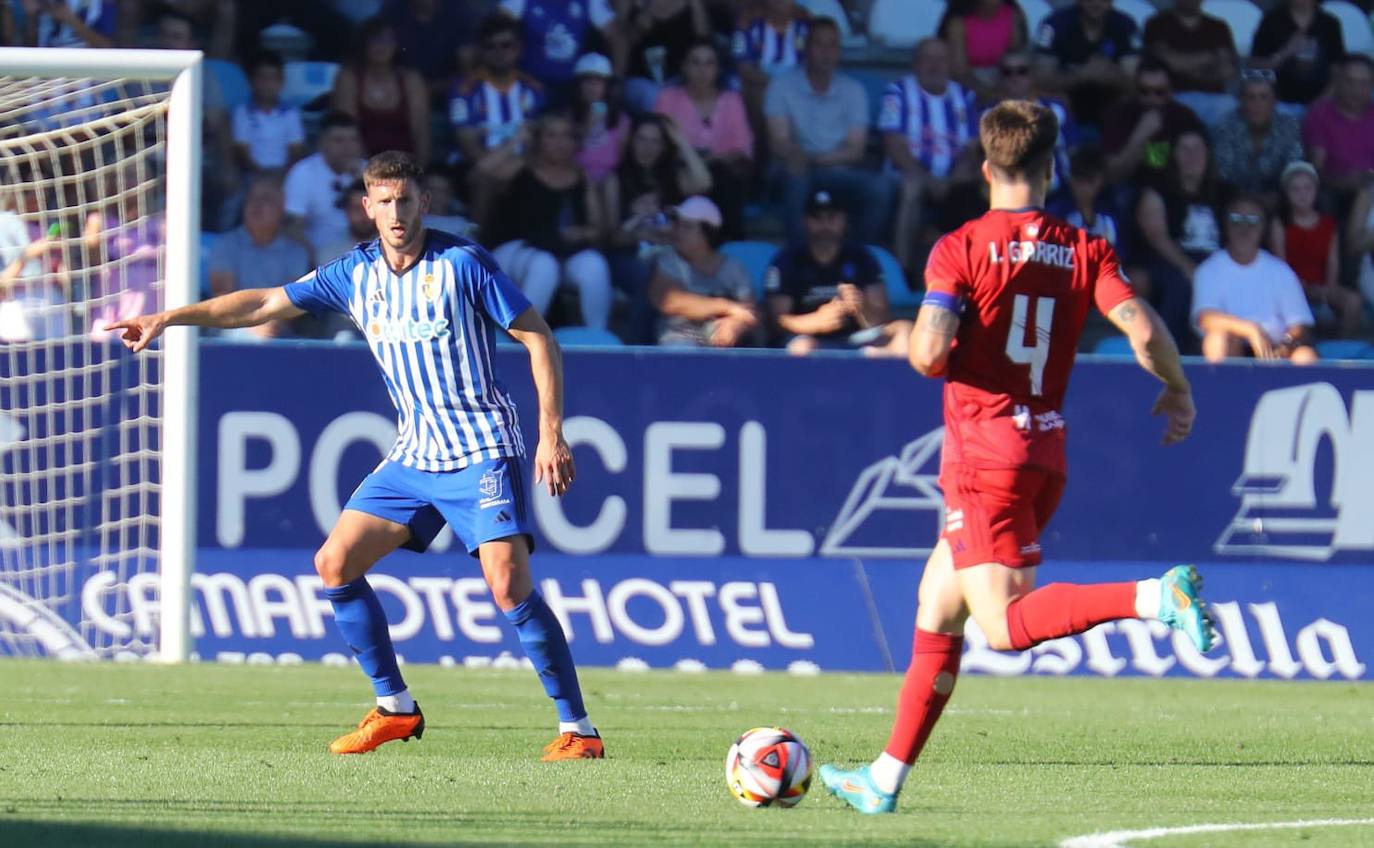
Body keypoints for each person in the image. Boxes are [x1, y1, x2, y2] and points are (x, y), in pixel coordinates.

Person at [104, 151, 604, 761]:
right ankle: (395, 707)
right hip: (416, 452)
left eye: (406, 200)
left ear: (426, 202)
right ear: (366, 207)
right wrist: (170, 316)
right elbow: (263, 304)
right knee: (335, 562)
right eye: (383, 201)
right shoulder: (353, 273)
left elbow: (537, 335)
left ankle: (578, 729)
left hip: (482, 448)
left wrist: (551, 430)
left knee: (506, 585)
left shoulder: (463, 265)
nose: (396, 213)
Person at [817, 99, 1212, 815]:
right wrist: (1178, 389)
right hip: (1043, 452)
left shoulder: (960, 247)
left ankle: (1154, 597)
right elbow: (1141, 325)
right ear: (1049, 166)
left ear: (985, 165)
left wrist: (904, 330)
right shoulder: (1084, 246)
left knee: (1001, 626)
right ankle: (883, 780)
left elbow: (932, 353)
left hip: (982, 457)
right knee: (938, 604)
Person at [766, 17, 892, 244]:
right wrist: (798, 157)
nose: (826, 52)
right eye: (819, 44)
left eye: (832, 45)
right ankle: (801, 256)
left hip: (836, 169)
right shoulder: (781, 85)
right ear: (806, 48)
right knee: (796, 176)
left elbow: (855, 150)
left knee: (880, 187)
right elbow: (779, 143)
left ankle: (857, 256)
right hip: (793, 169)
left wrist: (812, 159)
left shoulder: (853, 91)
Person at [488, 112, 614, 331]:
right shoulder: (522, 168)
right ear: (539, 140)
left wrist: (581, 233)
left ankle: (597, 338)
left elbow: (597, 228)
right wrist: (519, 139)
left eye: (566, 136)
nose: (560, 143)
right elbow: (483, 171)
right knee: (544, 266)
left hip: (562, 250)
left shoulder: (581, 177)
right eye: (551, 136)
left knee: (594, 265)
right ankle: (524, 337)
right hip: (516, 249)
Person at [765, 189, 910, 358]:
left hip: (856, 338)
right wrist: (817, 322)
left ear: (844, 220)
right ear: (805, 221)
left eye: (832, 217)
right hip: (806, 337)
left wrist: (861, 306)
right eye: (817, 218)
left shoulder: (862, 258)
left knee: (905, 330)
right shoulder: (787, 260)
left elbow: (881, 320)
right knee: (804, 347)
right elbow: (776, 321)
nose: (825, 224)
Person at [880, 38, 980, 273]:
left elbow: (972, 149)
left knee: (978, 185)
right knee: (913, 188)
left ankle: (971, 269)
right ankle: (902, 269)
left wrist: (952, 179)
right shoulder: (898, 91)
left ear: (951, 64)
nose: (935, 65)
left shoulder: (965, 97)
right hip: (909, 174)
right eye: (928, 58)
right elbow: (894, 146)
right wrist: (928, 179)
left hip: (954, 178)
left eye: (941, 59)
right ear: (916, 63)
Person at [1193, 194, 1317, 365]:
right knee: (1217, 339)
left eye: (1252, 221)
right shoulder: (1209, 269)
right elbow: (1205, 317)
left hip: (1275, 349)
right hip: (1232, 348)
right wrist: (1251, 330)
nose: (1244, 228)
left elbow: (1300, 324)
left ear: (1263, 228)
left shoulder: (1280, 271)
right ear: (1226, 225)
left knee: (1305, 356)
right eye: (1236, 219)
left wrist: (1284, 346)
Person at [451, 13, 546, 224]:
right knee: (483, 177)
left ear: (518, 48)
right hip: (477, 170)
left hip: (521, 168)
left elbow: (536, 146)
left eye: (506, 45)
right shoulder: (465, 89)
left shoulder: (533, 89)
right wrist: (499, 168)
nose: (499, 52)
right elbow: (469, 147)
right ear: (481, 51)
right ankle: (478, 246)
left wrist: (512, 169)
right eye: (490, 46)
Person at [653, 38, 753, 238]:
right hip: (680, 172)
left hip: (722, 173)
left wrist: (708, 162)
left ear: (717, 68)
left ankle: (730, 246)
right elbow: (660, 140)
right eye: (695, 62)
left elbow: (742, 148)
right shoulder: (668, 98)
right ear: (684, 66)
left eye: (709, 63)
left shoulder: (732, 100)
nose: (702, 70)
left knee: (723, 177)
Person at [1134, 129, 1224, 347]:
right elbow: (1158, 238)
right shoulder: (1157, 192)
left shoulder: (1225, 192)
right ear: (1173, 155)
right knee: (1180, 286)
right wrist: (1188, 267)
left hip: (1217, 262)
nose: (1191, 156)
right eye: (1184, 149)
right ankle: (1173, 353)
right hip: (1171, 262)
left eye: (1197, 149)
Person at [208, 173, 311, 341]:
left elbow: (294, 301)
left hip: (278, 329)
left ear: (282, 208)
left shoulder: (297, 252)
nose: (256, 204)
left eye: (266, 199)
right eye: (251, 198)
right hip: (232, 327)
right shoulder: (225, 245)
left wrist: (270, 325)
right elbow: (222, 295)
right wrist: (253, 327)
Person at [649, 196, 760, 347]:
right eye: (678, 225)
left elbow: (749, 310)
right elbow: (669, 301)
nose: (678, 232)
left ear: (707, 233)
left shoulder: (733, 267)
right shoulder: (669, 261)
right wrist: (727, 306)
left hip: (723, 339)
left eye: (687, 227)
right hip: (681, 335)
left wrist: (735, 325)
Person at [1270, 160, 1357, 338]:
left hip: (1322, 287)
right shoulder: (1280, 224)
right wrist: (1300, 286)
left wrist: (1328, 287)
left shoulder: (1329, 225)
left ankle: (1343, 346)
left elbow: (1333, 261)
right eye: (1296, 189)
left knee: (1353, 302)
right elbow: (1280, 263)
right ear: (1287, 193)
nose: (1302, 194)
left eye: (1307, 188)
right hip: (1293, 287)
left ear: (1315, 191)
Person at [331, 17, 431, 167]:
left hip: (404, 167)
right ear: (364, 44)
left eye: (387, 40)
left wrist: (420, 171)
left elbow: (421, 133)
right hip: (359, 166)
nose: (382, 46)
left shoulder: (411, 80)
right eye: (375, 40)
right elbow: (348, 132)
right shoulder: (348, 78)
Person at [1032, 0, 1140, 131]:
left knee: (1151, 105)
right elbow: (1041, 80)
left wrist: (1107, 74)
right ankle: (1067, 149)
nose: (1096, 3)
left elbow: (1135, 82)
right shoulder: (1054, 24)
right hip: (1068, 98)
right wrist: (1082, 75)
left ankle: (1152, 152)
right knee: (1051, 99)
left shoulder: (1126, 25)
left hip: (1111, 99)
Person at [1101, 62, 1203, 188]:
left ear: (1171, 91)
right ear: (1135, 90)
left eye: (1159, 92)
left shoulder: (1184, 116)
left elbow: (1196, 165)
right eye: (1144, 91)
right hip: (1131, 187)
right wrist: (1141, 134)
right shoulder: (1119, 114)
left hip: (1175, 187)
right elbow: (1112, 175)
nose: (1151, 98)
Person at [1209, 70, 1303, 202]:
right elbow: (1223, 177)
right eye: (1250, 97)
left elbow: (1293, 171)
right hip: (1233, 201)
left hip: (1278, 201)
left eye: (1264, 97)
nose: (1257, 104)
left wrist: (1277, 198)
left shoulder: (1289, 127)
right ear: (1241, 101)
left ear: (1274, 101)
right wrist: (1252, 201)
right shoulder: (1225, 127)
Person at [1141, 0, 1236, 127]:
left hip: (1214, 97)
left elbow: (1226, 71)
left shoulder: (1218, 27)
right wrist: (1210, 57)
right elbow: (1171, 63)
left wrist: (1185, 65)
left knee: (1230, 108)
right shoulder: (1157, 24)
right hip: (1172, 96)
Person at [284, 111, 367, 257]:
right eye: (339, 140)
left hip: (365, 251)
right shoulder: (303, 173)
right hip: (319, 254)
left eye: (353, 140)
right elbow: (292, 228)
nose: (348, 147)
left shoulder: (370, 172)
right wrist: (313, 257)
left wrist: (362, 182)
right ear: (322, 144)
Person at [498, 0, 617, 100]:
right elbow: (498, 30)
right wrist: (520, 75)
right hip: (529, 83)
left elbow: (617, 36)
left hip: (571, 89)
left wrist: (617, 77)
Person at [1250, 0, 1344, 111]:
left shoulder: (1330, 24)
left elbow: (1339, 71)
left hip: (1322, 104)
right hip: (1278, 104)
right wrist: (1284, 53)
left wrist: (1320, 103)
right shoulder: (1271, 21)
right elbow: (1253, 71)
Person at [1302, 55, 1374, 201]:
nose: (1356, 90)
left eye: (1364, 83)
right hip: (1334, 193)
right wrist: (1344, 183)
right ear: (1338, 82)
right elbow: (1315, 171)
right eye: (1350, 82)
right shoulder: (1320, 115)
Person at [620, 0, 710, 114]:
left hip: (678, 78)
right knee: (655, 98)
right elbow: (626, 43)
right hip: (641, 79)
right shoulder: (640, 4)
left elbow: (703, 39)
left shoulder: (690, 5)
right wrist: (645, 15)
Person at [232, 51, 307, 174]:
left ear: (282, 82)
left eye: (273, 78)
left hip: (284, 176)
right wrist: (261, 174)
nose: (268, 84)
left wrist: (282, 174)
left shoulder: (291, 113)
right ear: (251, 82)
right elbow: (242, 151)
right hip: (252, 175)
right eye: (262, 78)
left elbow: (296, 150)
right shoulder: (242, 112)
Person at [940, 0, 1027, 100]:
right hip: (971, 77)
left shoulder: (1012, 14)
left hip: (1002, 74)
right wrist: (986, 91)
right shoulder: (958, 22)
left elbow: (1016, 56)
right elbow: (959, 70)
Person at [570, 53, 631, 184]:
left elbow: (624, 160)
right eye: (587, 81)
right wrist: (587, 128)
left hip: (610, 182)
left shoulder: (622, 120)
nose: (592, 87)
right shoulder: (566, 117)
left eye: (598, 81)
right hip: (577, 179)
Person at [22, 0, 116, 48]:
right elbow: (28, 47)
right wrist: (31, 15)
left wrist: (71, 20)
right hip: (45, 74)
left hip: (81, 74)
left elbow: (106, 46)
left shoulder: (99, 3)